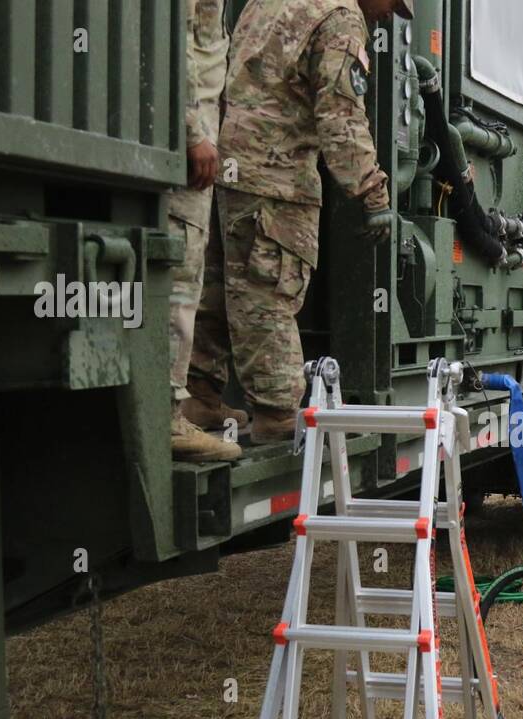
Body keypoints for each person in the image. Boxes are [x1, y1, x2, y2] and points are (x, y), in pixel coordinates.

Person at [187, 0, 411, 445]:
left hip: (226, 163)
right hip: (277, 176)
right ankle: (277, 414)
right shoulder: (341, 17)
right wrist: (372, 190)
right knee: (270, 289)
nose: (390, 15)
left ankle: (199, 396)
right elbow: (341, 114)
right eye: (393, 3)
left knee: (216, 285)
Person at [169, 0, 241, 463]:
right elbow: (173, 39)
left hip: (198, 129)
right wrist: (195, 131)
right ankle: (168, 416)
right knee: (180, 270)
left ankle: (183, 405)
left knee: (192, 268)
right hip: (186, 136)